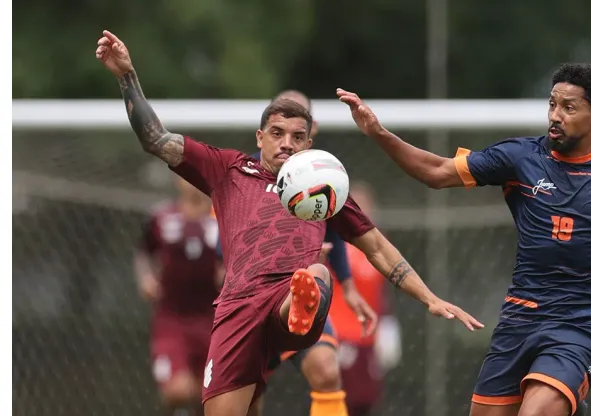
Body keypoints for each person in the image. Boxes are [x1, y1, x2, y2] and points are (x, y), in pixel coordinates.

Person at [95, 30, 484, 416]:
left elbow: (377, 246)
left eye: (298, 137)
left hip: (290, 300)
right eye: (277, 134)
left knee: (316, 278)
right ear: (260, 137)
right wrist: (126, 76)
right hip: (236, 309)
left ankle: (298, 307)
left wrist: (428, 297)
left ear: (308, 144)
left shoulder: (325, 185)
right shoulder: (229, 168)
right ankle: (297, 307)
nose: (287, 143)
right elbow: (156, 139)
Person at [336, 62, 591, 416]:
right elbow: (435, 172)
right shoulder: (520, 157)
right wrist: (378, 132)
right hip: (519, 319)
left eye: (569, 108)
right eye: (552, 104)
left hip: (580, 323)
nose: (555, 115)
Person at [235, 89, 377, 416]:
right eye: (279, 126)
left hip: (300, 295)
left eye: (299, 124)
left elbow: (337, 231)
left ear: (311, 131)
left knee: (327, 370)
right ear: (264, 133)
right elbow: (224, 239)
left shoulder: (322, 176)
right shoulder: (242, 174)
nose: (287, 136)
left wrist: (350, 288)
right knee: (249, 399)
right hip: (251, 300)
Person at [135, 177, 221, 416]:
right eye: (187, 175)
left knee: (214, 397)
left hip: (213, 321)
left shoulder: (224, 219)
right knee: (179, 391)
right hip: (171, 319)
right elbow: (144, 252)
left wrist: (227, 274)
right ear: (177, 180)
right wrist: (146, 278)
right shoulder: (161, 217)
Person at [329, 182, 403, 416]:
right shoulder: (335, 244)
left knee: (367, 400)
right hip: (340, 336)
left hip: (368, 338)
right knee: (340, 400)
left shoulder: (379, 246)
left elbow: (381, 289)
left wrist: (388, 324)